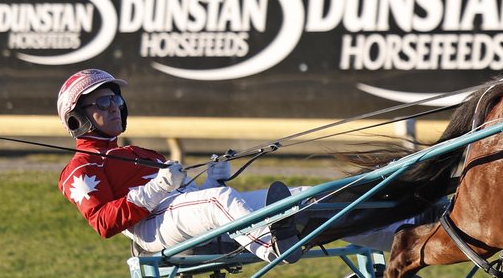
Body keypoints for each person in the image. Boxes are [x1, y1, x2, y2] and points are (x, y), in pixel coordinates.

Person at [56, 68, 344, 263]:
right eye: (104, 102)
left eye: (116, 99)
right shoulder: (80, 169)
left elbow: (190, 202)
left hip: (176, 215)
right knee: (218, 201)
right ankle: (272, 247)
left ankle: (377, 230)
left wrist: (213, 181)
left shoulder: (139, 152)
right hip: (150, 230)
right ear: (77, 119)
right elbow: (103, 223)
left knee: (305, 196)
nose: (115, 106)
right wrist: (158, 187)